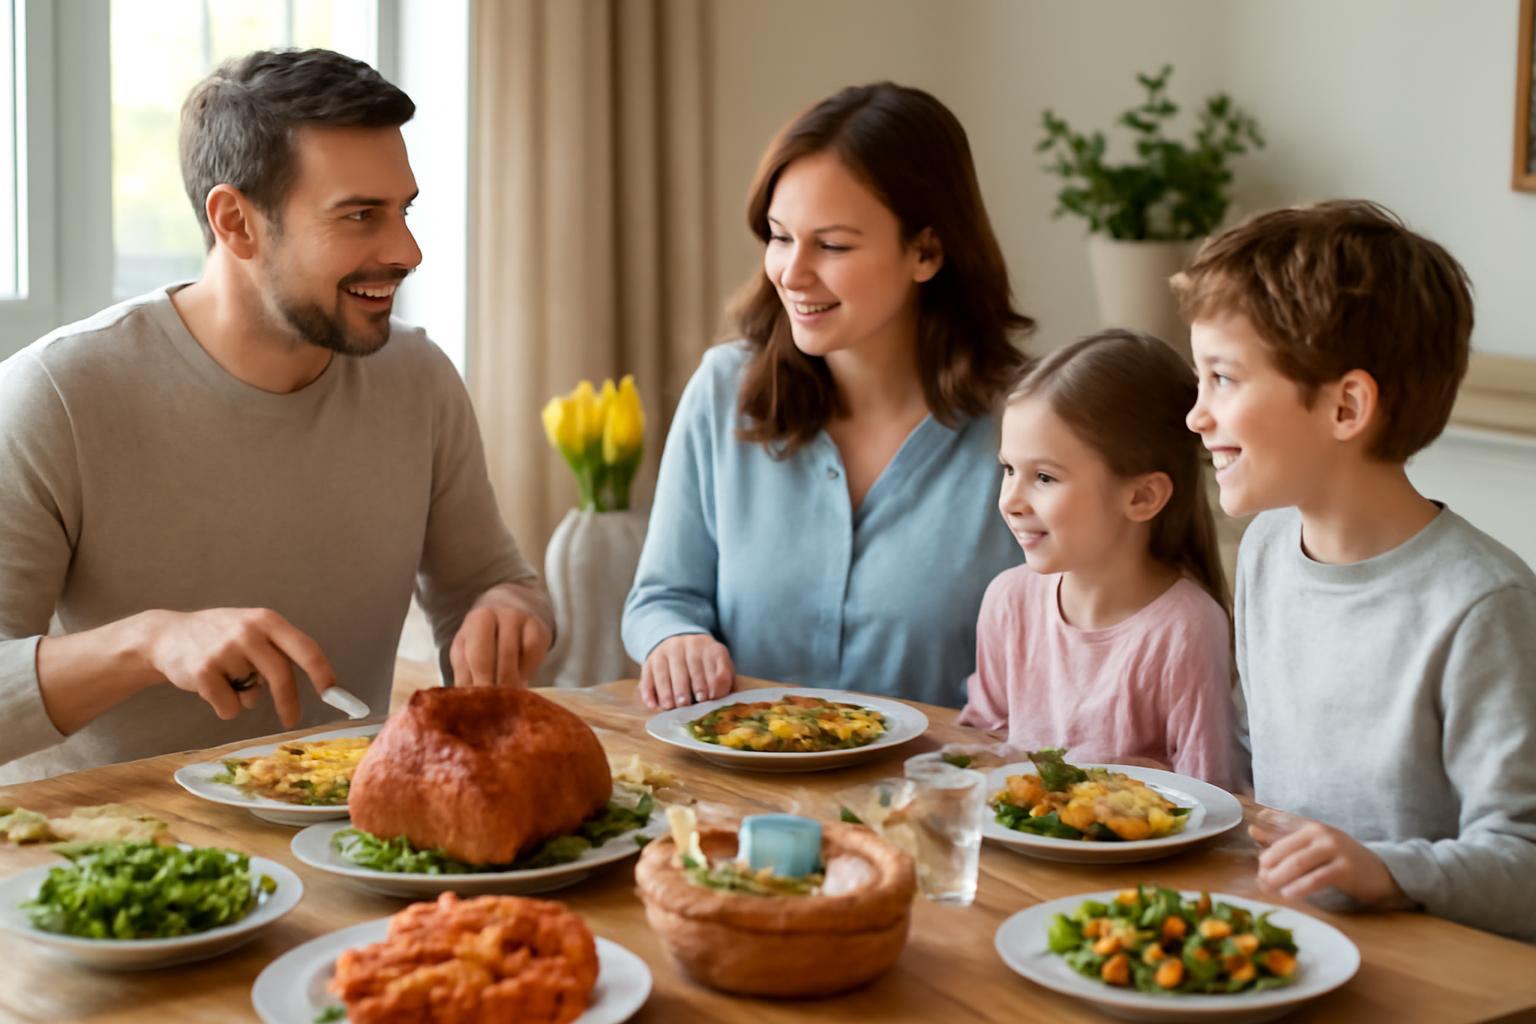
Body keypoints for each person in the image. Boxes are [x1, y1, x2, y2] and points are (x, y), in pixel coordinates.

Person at [0, 49, 552, 784]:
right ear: (236, 223)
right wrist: (148, 643)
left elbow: (493, 583)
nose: (407, 251)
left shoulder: (418, 379)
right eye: (359, 216)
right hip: (109, 858)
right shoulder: (57, 394)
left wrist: (509, 612)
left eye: (403, 211)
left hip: (350, 841)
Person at [1178, 200, 1536, 941]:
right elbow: (1252, 758)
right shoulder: (1269, 550)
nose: (1197, 415)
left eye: (1224, 379)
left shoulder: (1483, 605)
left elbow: (1526, 867)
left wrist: (1385, 870)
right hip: (1284, 949)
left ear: (1346, 406)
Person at [622, 82, 1031, 711]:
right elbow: (662, 598)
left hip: (939, 801)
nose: (791, 271)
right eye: (780, 237)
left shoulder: (1024, 430)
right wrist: (675, 640)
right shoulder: (722, 391)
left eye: (833, 245)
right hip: (740, 799)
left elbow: (1069, 652)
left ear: (927, 250)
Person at [956, 331, 1239, 789]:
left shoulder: (1185, 627)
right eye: (1009, 469)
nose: (1011, 500)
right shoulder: (1009, 599)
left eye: (1044, 477)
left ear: (1143, 496)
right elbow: (985, 742)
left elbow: (1212, 797)